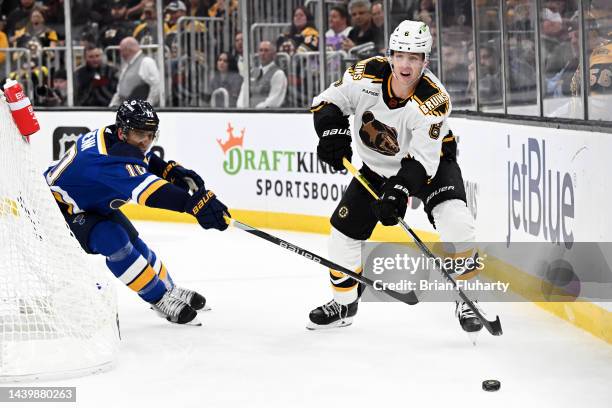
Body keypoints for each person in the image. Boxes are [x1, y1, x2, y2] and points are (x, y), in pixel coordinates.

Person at [308, 20, 483, 333]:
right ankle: (344, 302)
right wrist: (330, 131)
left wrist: (398, 192)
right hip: (377, 168)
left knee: (458, 221)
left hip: (430, 165)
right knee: (342, 235)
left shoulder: (433, 100)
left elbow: (421, 163)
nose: (405, 64)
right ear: (390, 56)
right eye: (400, 55)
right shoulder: (365, 75)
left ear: (425, 62)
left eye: (414, 58)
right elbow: (326, 102)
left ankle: (468, 297)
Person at [44, 99, 230, 325]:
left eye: (151, 135)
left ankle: (168, 288)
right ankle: (160, 299)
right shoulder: (108, 160)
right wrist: (195, 205)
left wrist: (167, 169)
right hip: (56, 211)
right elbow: (150, 192)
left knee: (135, 243)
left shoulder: (113, 137)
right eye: (140, 133)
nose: (146, 141)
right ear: (123, 132)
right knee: (115, 241)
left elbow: (139, 158)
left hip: (90, 202)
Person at [109, 36, 161, 107]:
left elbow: (156, 87)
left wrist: (148, 106)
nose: (121, 54)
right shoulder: (127, 65)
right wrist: (112, 106)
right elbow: (119, 90)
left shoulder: (146, 62)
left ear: (128, 49)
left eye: (121, 50)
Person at [236, 40, 287, 108]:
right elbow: (243, 93)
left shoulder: (278, 74)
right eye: (261, 50)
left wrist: (256, 109)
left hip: (266, 114)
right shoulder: (252, 72)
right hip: (248, 113)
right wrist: (241, 108)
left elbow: (274, 100)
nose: (263, 53)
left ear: (274, 54)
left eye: (266, 50)